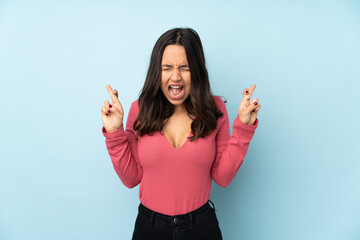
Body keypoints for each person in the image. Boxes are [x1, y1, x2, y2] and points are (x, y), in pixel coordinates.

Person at [101, 28, 261, 240]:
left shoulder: (215, 109)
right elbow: (131, 179)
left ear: (196, 70)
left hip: (201, 227)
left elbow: (222, 178)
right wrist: (114, 132)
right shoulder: (139, 109)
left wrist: (243, 128)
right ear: (157, 71)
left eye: (184, 68)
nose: (175, 76)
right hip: (150, 227)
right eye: (167, 67)